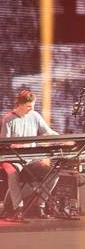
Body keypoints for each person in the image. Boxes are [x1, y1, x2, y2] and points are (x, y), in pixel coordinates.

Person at [1, 90, 59, 218]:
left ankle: (40, 206)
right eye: (28, 106)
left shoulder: (35, 116)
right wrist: (18, 146)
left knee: (53, 174)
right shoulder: (8, 119)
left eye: (33, 105)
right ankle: (18, 208)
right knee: (12, 174)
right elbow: (4, 144)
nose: (31, 108)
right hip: (12, 159)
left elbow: (48, 132)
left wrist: (64, 139)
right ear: (20, 104)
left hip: (31, 159)